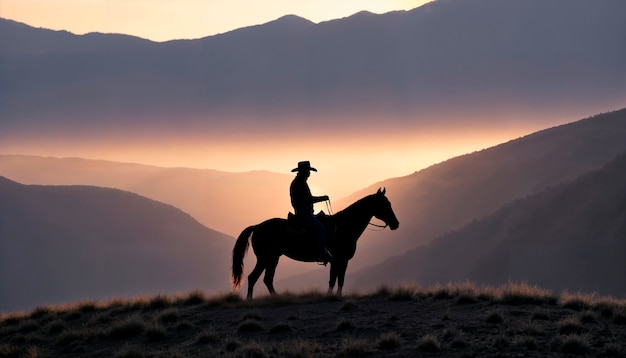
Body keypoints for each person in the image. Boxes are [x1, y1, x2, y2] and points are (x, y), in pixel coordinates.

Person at [290, 161, 332, 265]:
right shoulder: (299, 183)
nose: (309, 174)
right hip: (303, 213)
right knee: (321, 229)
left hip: (304, 212)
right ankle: (321, 253)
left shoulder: (299, 182)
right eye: (308, 171)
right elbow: (308, 199)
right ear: (303, 172)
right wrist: (322, 198)